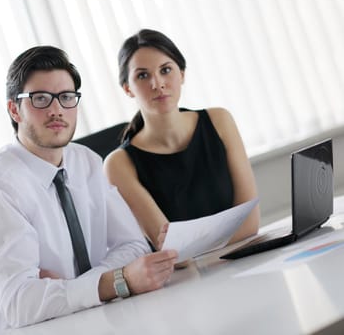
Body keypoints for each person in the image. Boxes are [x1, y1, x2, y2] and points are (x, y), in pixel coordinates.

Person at [0, 45, 178, 334]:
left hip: (89, 322)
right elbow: (19, 304)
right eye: (40, 99)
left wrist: (74, 287)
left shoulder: (85, 161)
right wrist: (113, 282)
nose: (56, 110)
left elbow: (133, 245)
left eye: (66, 97)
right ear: (14, 109)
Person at [104, 29, 260, 250]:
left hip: (246, 258)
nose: (157, 84)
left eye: (165, 70)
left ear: (182, 74)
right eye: (142, 75)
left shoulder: (219, 121)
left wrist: (199, 248)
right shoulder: (118, 164)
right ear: (128, 89)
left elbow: (250, 222)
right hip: (190, 280)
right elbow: (172, 249)